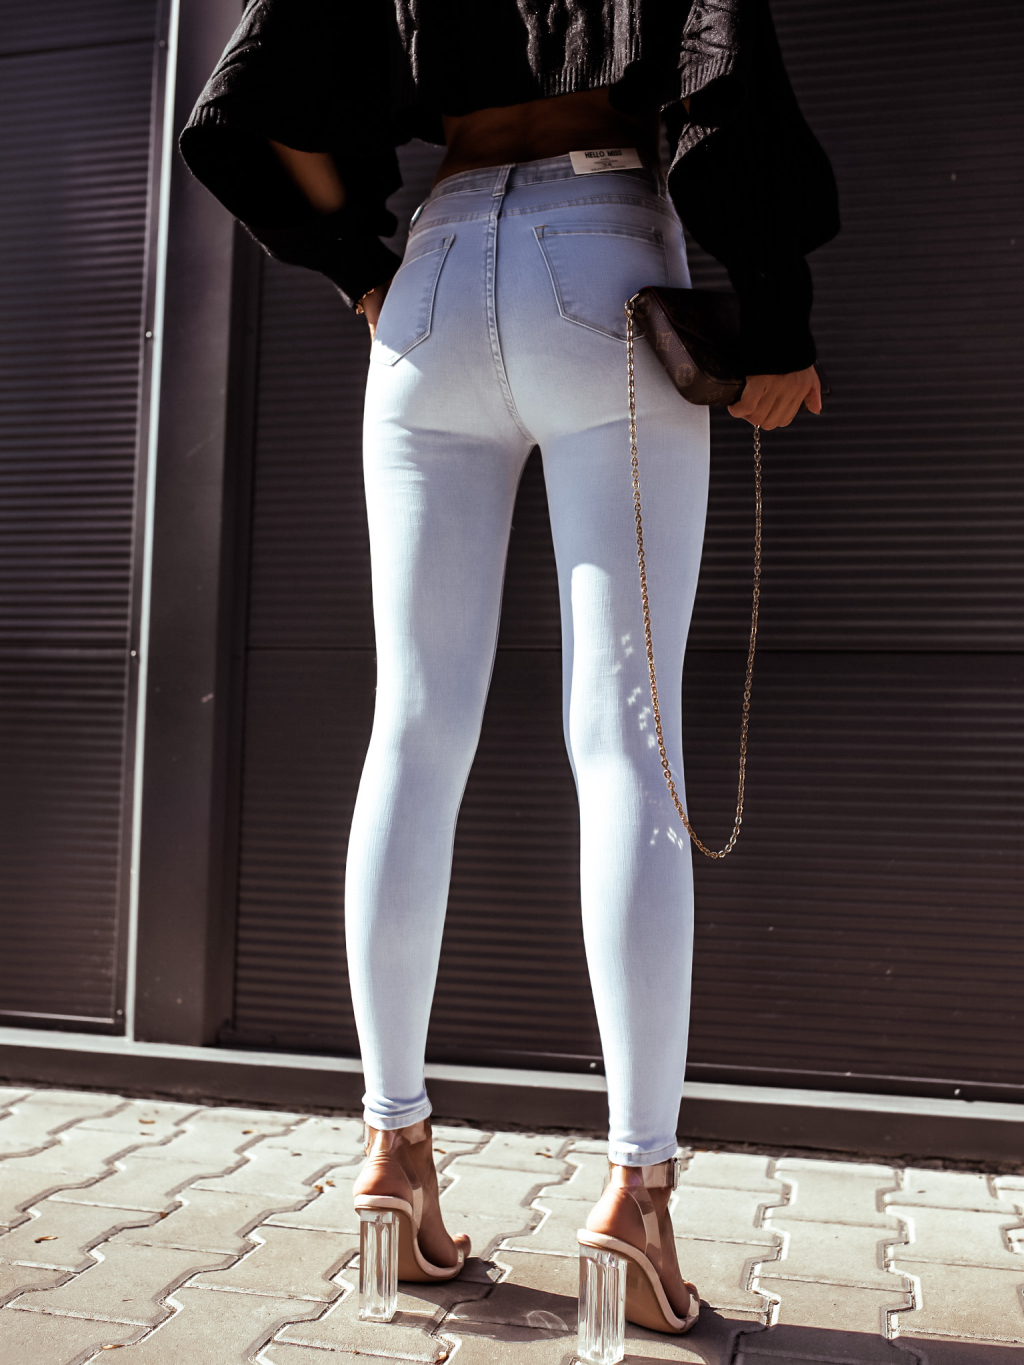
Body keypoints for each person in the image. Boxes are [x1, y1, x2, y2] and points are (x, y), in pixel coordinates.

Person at [181, 0, 838, 1337]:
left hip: (432, 276)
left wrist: (356, 261)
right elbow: (720, 76)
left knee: (412, 729)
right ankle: (637, 1199)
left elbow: (251, 101)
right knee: (626, 733)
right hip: (603, 256)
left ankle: (393, 1156)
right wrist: (777, 319)